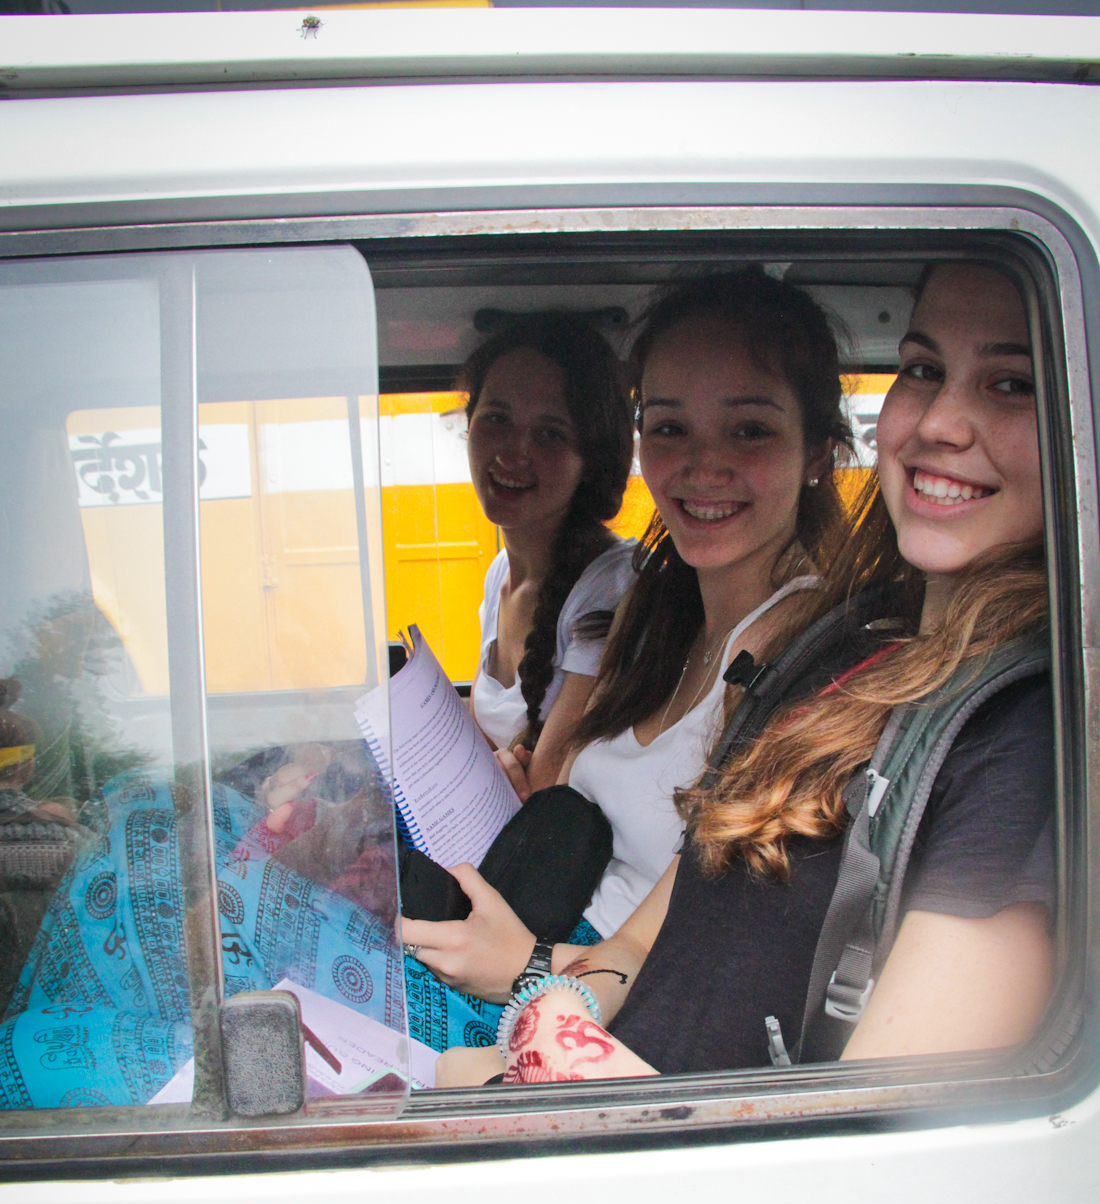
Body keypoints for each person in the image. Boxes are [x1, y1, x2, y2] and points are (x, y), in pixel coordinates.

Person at [438, 260, 1055, 1086]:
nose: (941, 421)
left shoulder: (1021, 736)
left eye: (1011, 384)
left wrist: (541, 1034)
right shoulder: (832, 659)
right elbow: (642, 943)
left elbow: (884, 1133)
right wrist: (554, 1008)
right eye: (922, 369)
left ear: (820, 450)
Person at [403, 268, 855, 1016]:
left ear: (817, 452)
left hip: (588, 1001)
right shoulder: (655, 606)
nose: (702, 464)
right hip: (537, 936)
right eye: (671, 427)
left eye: (749, 429)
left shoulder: (804, 666)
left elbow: (700, 961)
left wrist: (523, 970)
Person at [463, 313, 637, 789]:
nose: (511, 453)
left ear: (592, 458)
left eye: (550, 433)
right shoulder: (500, 572)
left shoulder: (610, 586)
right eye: (497, 419)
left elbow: (541, 791)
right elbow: (487, 745)